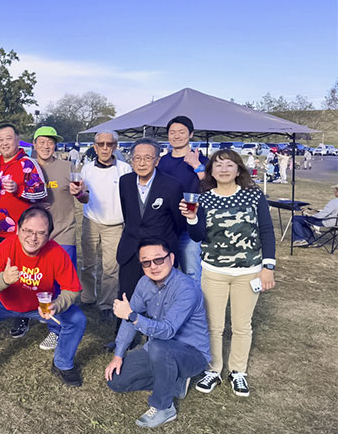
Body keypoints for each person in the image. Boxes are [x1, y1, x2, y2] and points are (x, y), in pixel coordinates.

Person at [181, 149, 276, 398]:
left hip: (249, 271)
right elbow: (198, 236)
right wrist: (192, 218)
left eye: (229, 165)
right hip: (214, 271)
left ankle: (238, 371)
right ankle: (213, 369)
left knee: (242, 325)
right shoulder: (204, 198)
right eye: (218, 165)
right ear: (211, 171)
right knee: (213, 325)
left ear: (238, 169)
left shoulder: (253, 195)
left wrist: (268, 267)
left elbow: (266, 230)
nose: (223, 169)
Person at [0, 206, 86, 386]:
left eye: (41, 233)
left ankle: (63, 364)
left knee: (77, 319)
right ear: (18, 229)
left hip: (40, 306)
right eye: (27, 230)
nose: (33, 238)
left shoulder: (56, 252)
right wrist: (3, 279)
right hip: (4, 302)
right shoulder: (6, 247)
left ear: (49, 235)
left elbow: (72, 289)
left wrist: (57, 305)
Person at [104, 238, 210, 428]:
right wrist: (118, 355)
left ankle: (164, 407)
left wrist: (132, 316)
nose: (153, 266)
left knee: (159, 346)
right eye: (146, 262)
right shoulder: (144, 283)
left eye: (158, 259)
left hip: (192, 354)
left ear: (171, 258)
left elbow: (167, 331)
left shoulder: (186, 288)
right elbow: (129, 322)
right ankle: (175, 382)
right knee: (117, 381)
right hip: (157, 350)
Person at [0, 123, 47, 339]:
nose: (4, 143)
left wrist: (19, 190)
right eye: (0, 140)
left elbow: (41, 193)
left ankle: (22, 316)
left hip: (20, 235)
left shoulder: (28, 163)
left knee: (22, 276)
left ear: (18, 140)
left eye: (8, 138)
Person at [31, 126, 83, 350]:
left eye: (50, 142)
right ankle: (51, 322)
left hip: (64, 232)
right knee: (44, 282)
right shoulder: (28, 167)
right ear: (34, 144)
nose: (46, 146)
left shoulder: (67, 166)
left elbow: (84, 198)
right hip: (38, 235)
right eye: (42, 142)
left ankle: (61, 329)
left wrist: (80, 192)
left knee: (65, 283)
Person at [116, 138, 184, 309]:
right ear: (131, 160)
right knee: (127, 295)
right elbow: (128, 214)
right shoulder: (125, 182)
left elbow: (178, 222)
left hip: (159, 252)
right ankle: (124, 327)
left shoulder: (172, 185)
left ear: (157, 161)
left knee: (159, 301)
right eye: (137, 158)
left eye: (147, 158)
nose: (142, 163)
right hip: (131, 249)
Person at [78, 130, 132, 322]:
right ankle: (87, 297)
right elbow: (83, 196)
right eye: (101, 144)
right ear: (95, 147)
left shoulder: (125, 169)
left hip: (115, 225)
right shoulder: (87, 169)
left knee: (111, 268)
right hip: (91, 221)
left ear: (115, 146)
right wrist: (78, 194)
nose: (105, 148)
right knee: (88, 264)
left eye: (109, 144)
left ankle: (107, 304)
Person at [157, 116, 207, 287]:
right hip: (166, 226)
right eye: (172, 132)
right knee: (165, 274)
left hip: (189, 228)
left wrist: (196, 165)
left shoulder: (201, 160)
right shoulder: (162, 161)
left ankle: (195, 304)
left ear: (191, 134)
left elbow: (212, 188)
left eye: (181, 132)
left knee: (191, 275)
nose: (176, 136)